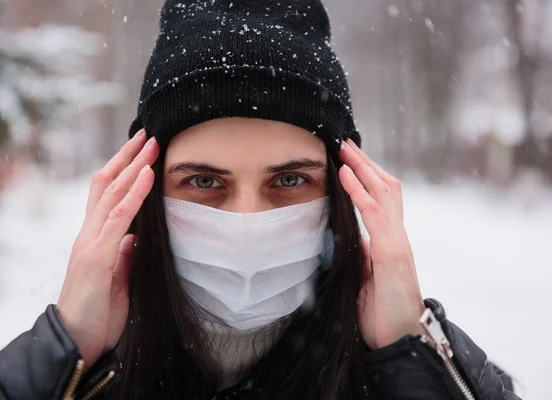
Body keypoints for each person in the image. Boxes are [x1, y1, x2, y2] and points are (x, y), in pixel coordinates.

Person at [0, 1, 520, 399]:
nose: (247, 220)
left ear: (345, 190)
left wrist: (413, 353)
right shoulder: (89, 371)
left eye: (290, 180)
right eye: (204, 182)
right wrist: (66, 351)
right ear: (146, 193)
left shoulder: (395, 364)